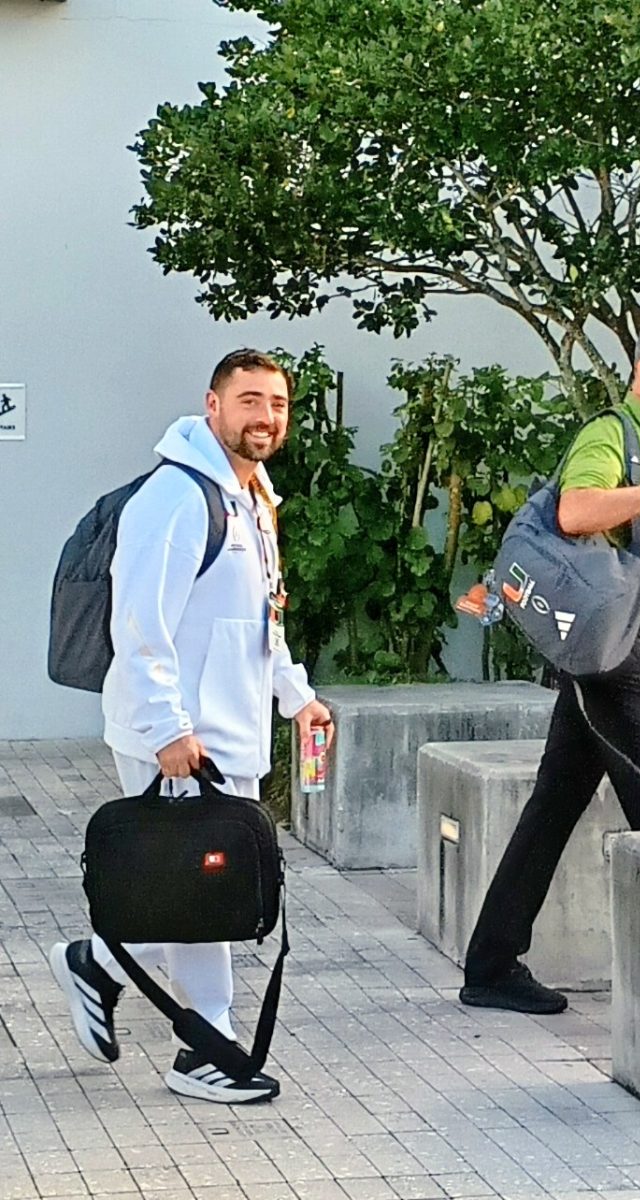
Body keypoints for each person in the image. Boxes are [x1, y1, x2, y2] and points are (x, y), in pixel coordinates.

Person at [49, 349, 333, 1103]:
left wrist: (296, 697)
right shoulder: (177, 499)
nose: (264, 416)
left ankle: (97, 966)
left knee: (197, 891)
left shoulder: (251, 500)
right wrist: (168, 728)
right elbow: (140, 624)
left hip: (225, 735)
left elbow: (262, 623)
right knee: (201, 896)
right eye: (248, 401)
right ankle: (206, 1047)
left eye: (276, 403)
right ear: (212, 406)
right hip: (179, 741)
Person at [459, 317, 640, 1015]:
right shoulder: (612, 435)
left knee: (554, 802)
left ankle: (490, 965)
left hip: (618, 638)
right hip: (611, 655)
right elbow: (578, 512)